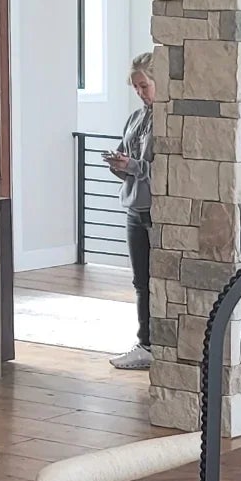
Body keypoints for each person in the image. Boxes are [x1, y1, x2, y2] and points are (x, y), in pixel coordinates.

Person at [107, 52, 157, 370]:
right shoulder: (136, 118)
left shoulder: (168, 121)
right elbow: (131, 164)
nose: (139, 92)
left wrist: (134, 166)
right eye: (136, 87)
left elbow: (167, 171)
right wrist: (119, 165)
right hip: (134, 209)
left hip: (155, 211)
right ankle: (145, 344)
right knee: (140, 281)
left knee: (154, 281)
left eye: (144, 86)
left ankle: (153, 344)